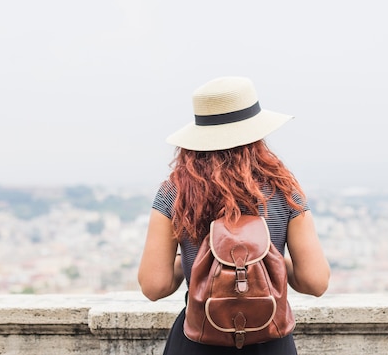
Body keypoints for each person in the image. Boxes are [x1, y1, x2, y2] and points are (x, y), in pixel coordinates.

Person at [138, 76, 330, 355]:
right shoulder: (284, 190)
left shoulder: (174, 192)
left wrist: (194, 264)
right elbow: (315, 282)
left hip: (198, 340)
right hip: (270, 339)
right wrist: (266, 261)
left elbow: (154, 287)